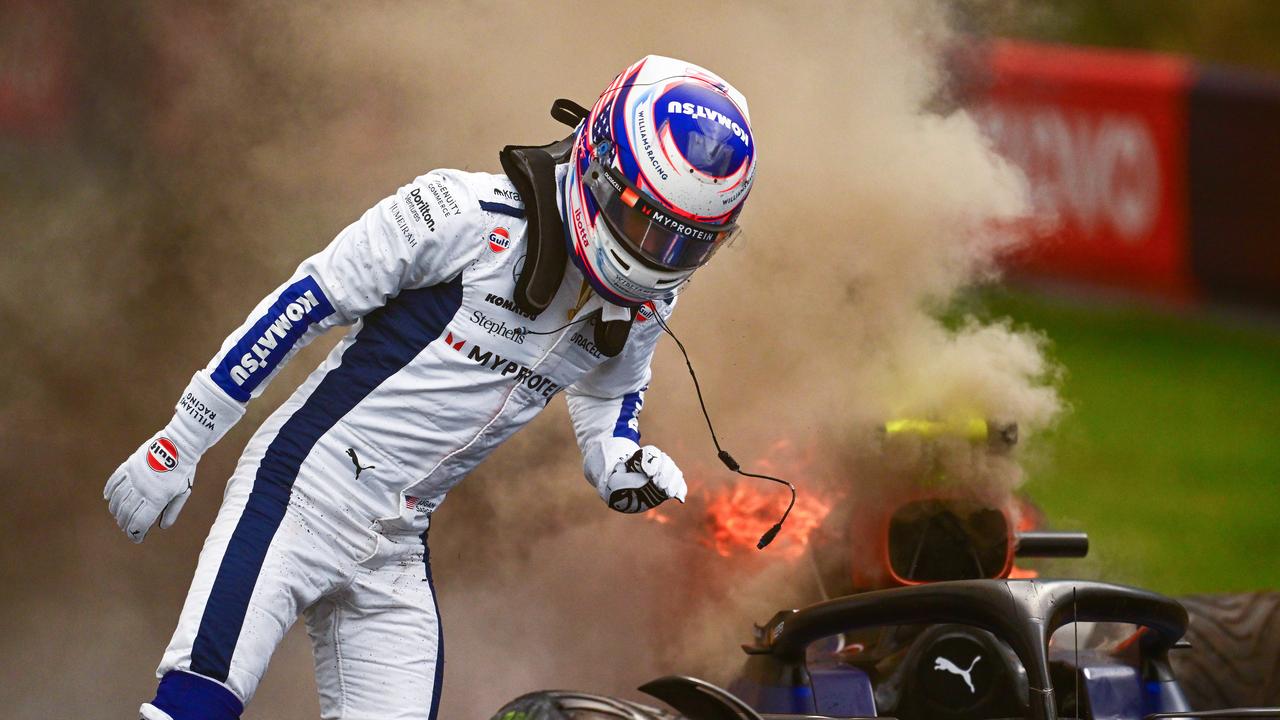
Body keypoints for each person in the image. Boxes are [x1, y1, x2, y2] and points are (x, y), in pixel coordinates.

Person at [104, 54, 757, 720]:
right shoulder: (461, 214)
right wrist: (180, 440)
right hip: (297, 495)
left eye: (687, 244)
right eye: (644, 221)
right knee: (194, 707)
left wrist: (616, 462)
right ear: (598, 165)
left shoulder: (651, 300)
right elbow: (301, 305)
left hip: (398, 541)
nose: (657, 256)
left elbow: (610, 389)